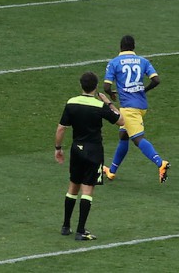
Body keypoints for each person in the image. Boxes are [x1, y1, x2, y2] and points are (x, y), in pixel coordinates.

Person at [55, 72, 123, 241]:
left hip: (76, 149)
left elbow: (61, 128)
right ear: (95, 86)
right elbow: (121, 120)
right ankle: (80, 231)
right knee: (88, 190)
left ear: (81, 86)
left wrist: (58, 148)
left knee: (73, 187)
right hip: (94, 151)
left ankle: (65, 226)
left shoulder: (72, 102)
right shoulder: (99, 106)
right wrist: (108, 101)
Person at [100, 35, 169, 183]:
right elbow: (156, 80)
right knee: (124, 136)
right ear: (134, 47)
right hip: (141, 105)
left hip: (128, 108)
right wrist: (144, 90)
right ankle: (111, 171)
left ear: (120, 47)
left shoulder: (114, 62)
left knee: (138, 139)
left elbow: (106, 86)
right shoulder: (143, 61)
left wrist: (111, 93)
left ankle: (160, 163)